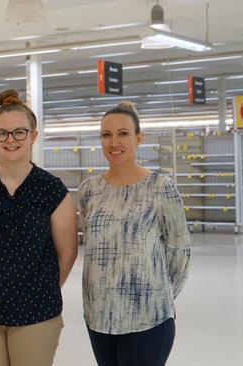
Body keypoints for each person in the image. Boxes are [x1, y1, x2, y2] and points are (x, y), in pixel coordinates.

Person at [0, 89, 78, 366]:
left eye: (19, 132)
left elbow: (67, 254)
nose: (11, 140)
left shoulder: (51, 190)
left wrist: (38, 289)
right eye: (2, 133)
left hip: (37, 309)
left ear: (33, 136)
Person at [78, 102, 191, 366]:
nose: (114, 142)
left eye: (123, 133)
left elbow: (179, 252)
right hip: (99, 317)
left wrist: (154, 295)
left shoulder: (161, 188)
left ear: (138, 138)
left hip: (148, 319)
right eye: (106, 135)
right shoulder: (89, 190)